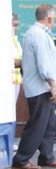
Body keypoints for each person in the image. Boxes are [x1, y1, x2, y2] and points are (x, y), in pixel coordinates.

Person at [11, 4, 56, 169]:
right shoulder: (37, 35)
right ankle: (20, 160)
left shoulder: (39, 34)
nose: (55, 20)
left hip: (43, 87)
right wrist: (53, 85)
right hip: (41, 88)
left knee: (48, 125)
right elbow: (43, 63)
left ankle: (47, 157)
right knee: (37, 125)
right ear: (48, 17)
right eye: (54, 17)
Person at [12, 13, 22, 152]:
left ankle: (9, 140)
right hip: (7, 82)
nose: (16, 27)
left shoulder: (15, 40)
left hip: (15, 80)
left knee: (11, 112)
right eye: (14, 24)